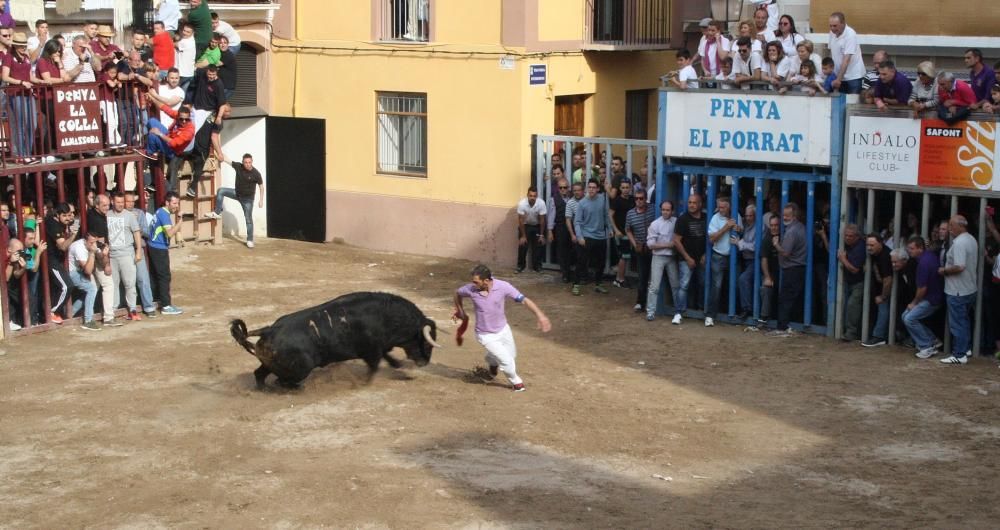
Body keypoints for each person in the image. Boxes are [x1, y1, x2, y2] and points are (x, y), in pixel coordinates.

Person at [453, 264, 551, 392]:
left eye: (476, 282)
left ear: (486, 280)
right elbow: (457, 293)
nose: (473, 284)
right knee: (507, 361)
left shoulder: (503, 287)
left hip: (503, 329)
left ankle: (492, 363)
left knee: (511, 356)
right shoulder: (470, 289)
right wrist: (460, 310)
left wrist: (541, 316)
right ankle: (517, 383)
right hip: (485, 334)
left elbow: (524, 300)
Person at [938, 215, 978, 364]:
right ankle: (965, 348)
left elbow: (960, 266)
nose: (949, 229)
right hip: (969, 288)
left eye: (951, 225)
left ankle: (959, 354)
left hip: (957, 290)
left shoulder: (960, 243)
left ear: (961, 226)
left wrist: (944, 270)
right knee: (964, 321)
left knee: (958, 323)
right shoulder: (971, 239)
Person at [204, 153, 265, 248]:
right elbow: (227, 159)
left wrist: (261, 200)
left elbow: (261, 187)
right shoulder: (238, 167)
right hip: (237, 193)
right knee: (221, 191)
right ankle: (217, 212)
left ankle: (250, 240)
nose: (248, 164)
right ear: (243, 162)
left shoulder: (256, 174)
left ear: (252, 162)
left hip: (248, 200)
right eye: (246, 162)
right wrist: (219, 152)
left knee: (248, 220)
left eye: (249, 162)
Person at [769, 203, 807, 337]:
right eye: (783, 215)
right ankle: (789, 325)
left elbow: (785, 252)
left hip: (792, 269)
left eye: (787, 215)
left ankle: (782, 327)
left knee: (785, 299)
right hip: (798, 268)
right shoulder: (801, 227)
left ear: (794, 216)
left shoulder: (791, 232)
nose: (784, 218)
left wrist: (776, 244)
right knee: (791, 298)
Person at [903, 236, 944, 359]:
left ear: (920, 248)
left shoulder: (923, 263)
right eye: (908, 248)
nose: (909, 251)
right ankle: (932, 340)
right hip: (934, 296)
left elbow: (922, 288)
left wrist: (914, 303)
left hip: (931, 299)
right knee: (905, 316)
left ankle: (927, 346)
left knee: (909, 318)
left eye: (912, 248)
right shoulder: (928, 256)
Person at [107, 192, 143, 321]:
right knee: (113, 284)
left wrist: (138, 251)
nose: (121, 205)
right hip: (111, 255)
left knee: (129, 283)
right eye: (118, 202)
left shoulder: (129, 216)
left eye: (122, 202)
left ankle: (132, 309)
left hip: (127, 254)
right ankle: (113, 309)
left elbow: (136, 233)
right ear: (112, 202)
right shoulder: (107, 215)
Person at [672, 194, 707, 324]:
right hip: (686, 259)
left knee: (703, 284)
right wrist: (687, 258)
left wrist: (705, 255)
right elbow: (676, 241)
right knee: (684, 285)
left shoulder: (705, 218)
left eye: (694, 203)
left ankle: (701, 309)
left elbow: (709, 238)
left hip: (701, 259)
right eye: (690, 202)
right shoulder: (682, 219)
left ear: (700, 205)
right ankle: (678, 312)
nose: (691, 205)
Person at [148, 192, 184, 315]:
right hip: (159, 248)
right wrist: (180, 222)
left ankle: (156, 300)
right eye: (174, 203)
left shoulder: (159, 211)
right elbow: (169, 233)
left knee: (155, 275)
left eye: (177, 203)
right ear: (167, 203)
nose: (176, 206)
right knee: (164, 276)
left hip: (153, 246)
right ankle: (166, 305)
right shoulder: (164, 215)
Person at [706, 196, 740, 326]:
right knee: (717, 286)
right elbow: (711, 239)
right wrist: (726, 227)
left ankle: (731, 313)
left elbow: (742, 230)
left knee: (735, 284)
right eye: (719, 207)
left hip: (734, 256)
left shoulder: (736, 215)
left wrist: (739, 229)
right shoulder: (715, 218)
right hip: (718, 256)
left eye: (723, 207)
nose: (720, 209)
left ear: (729, 207)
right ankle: (710, 315)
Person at [573, 179, 611, 296]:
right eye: (589, 187)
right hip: (587, 236)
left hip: (600, 236)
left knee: (600, 263)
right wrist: (580, 237)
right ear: (586, 189)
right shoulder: (582, 203)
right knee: (581, 262)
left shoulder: (603, 199)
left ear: (598, 189)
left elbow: (606, 216)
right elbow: (577, 222)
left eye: (594, 187)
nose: (591, 190)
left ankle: (598, 284)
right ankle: (576, 284)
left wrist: (609, 229)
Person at [124, 191, 159, 317]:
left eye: (133, 201)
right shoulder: (118, 215)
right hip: (123, 251)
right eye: (128, 201)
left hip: (137, 249)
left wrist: (136, 224)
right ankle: (126, 308)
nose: (131, 204)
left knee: (142, 278)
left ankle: (149, 307)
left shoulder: (139, 213)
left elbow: (148, 233)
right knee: (126, 281)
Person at [645, 200, 679, 321]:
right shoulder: (655, 224)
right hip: (659, 257)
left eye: (667, 210)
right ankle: (650, 311)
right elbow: (650, 245)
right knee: (654, 286)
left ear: (672, 211)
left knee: (675, 285)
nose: (665, 212)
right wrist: (668, 245)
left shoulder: (676, 221)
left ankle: (678, 310)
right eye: (663, 210)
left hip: (671, 257)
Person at [625, 189, 655, 314]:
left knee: (654, 277)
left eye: (641, 198)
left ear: (645, 198)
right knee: (642, 276)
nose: (639, 201)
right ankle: (640, 302)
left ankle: (652, 303)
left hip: (653, 247)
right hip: (640, 248)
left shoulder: (653, 209)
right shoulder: (630, 213)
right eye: (636, 198)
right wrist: (634, 243)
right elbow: (627, 230)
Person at [861, 233, 893, 347]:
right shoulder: (875, 253)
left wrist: (883, 296)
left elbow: (888, 280)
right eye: (867, 245)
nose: (869, 248)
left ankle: (879, 336)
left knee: (883, 308)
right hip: (879, 286)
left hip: (888, 289)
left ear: (881, 243)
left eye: (872, 245)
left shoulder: (885, 256)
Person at [67, 232, 102, 330]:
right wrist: (92, 253)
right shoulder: (79, 247)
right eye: (91, 243)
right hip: (72, 272)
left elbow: (103, 259)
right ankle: (88, 320)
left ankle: (70, 314)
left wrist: (101, 252)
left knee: (88, 293)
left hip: (80, 271)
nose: (93, 245)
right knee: (92, 289)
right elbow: (88, 271)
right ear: (85, 241)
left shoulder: (92, 244)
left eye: (95, 242)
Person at [838, 224, 866, 340]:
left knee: (852, 306)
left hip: (859, 282)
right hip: (849, 281)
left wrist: (843, 260)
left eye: (850, 236)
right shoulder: (848, 245)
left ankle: (851, 333)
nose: (847, 238)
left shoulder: (860, 248)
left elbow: (855, 269)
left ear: (857, 237)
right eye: (846, 236)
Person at [828, 12, 866, 94]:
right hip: (839, 76)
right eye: (830, 25)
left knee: (852, 103)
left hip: (853, 77)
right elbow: (832, 53)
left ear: (843, 23)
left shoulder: (850, 34)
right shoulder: (832, 32)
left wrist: (838, 79)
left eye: (835, 26)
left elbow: (846, 60)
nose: (832, 28)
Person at [546, 174, 573, 283]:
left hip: (572, 227)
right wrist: (550, 231)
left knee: (571, 250)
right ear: (558, 188)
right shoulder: (554, 199)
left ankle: (570, 270)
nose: (563, 189)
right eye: (561, 187)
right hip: (560, 227)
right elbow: (551, 216)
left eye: (565, 187)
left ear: (568, 187)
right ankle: (565, 273)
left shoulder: (572, 197)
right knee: (561, 251)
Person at [609, 180, 635, 288]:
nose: (625, 189)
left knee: (625, 256)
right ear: (620, 188)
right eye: (623, 187)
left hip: (630, 232)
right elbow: (610, 215)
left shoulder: (633, 199)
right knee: (623, 256)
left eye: (627, 187)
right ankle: (619, 279)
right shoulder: (616, 200)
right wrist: (616, 230)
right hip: (620, 233)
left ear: (630, 188)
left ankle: (619, 278)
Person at [757, 214, 781, 327]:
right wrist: (767, 277)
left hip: (783, 272)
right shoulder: (767, 239)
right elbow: (764, 260)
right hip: (771, 272)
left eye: (776, 225)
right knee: (766, 289)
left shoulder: (785, 236)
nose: (774, 227)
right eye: (772, 225)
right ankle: (764, 317)